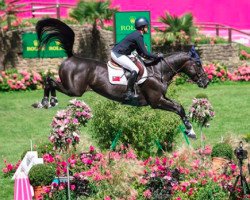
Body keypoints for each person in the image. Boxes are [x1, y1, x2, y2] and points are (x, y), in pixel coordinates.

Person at [111, 17, 163, 101]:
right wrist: (157, 56)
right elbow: (145, 53)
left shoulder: (138, 34)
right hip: (117, 54)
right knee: (135, 69)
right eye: (146, 26)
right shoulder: (138, 35)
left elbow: (140, 52)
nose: (147, 28)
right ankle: (129, 93)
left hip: (121, 53)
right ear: (142, 27)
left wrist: (153, 57)